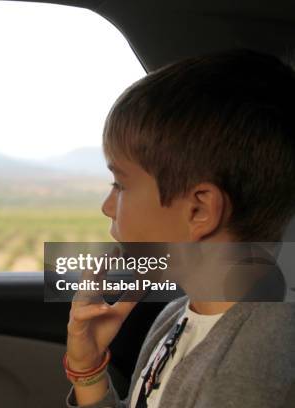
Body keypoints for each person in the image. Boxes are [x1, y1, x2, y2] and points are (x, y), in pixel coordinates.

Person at [64, 49, 295, 408]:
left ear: (199, 210)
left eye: (120, 185)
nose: (107, 206)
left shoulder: (252, 367)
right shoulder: (177, 314)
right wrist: (88, 369)